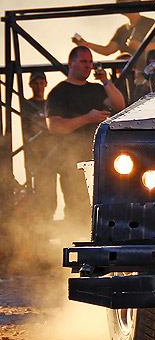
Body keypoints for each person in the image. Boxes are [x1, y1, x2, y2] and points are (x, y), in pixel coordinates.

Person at [46, 46, 126, 225]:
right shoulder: (59, 92)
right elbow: (55, 126)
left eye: (90, 62)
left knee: (105, 206)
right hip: (71, 163)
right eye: (83, 61)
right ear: (71, 63)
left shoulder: (97, 89)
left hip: (100, 159)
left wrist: (106, 81)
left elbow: (120, 106)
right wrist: (87, 118)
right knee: (78, 207)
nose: (88, 66)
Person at [71, 0, 155, 57]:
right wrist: (85, 44)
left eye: (127, 4)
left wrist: (140, 46)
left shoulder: (150, 23)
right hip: (128, 73)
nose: (124, 7)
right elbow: (107, 50)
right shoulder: (122, 30)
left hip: (148, 70)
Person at [19, 71, 56, 223]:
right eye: (35, 83)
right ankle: (41, 222)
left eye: (41, 83)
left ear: (46, 84)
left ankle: (49, 219)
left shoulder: (50, 103)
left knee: (52, 191)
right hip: (36, 152)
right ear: (30, 85)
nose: (39, 86)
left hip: (53, 150)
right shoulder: (26, 105)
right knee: (41, 189)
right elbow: (30, 127)